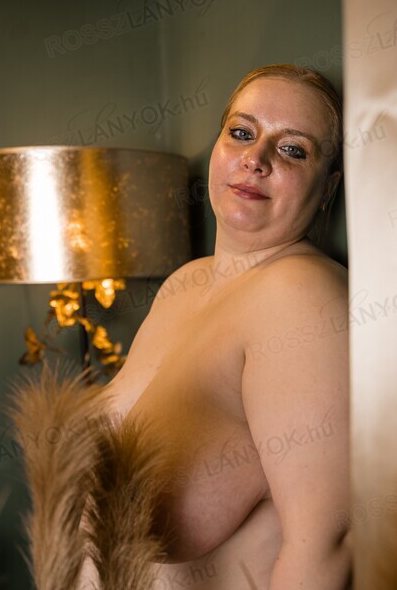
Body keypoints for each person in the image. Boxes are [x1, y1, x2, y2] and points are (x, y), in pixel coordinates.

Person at [103, 64, 351, 589]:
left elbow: (325, 547)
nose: (255, 158)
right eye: (241, 133)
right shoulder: (185, 284)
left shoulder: (299, 295)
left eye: (293, 149)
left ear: (328, 187)